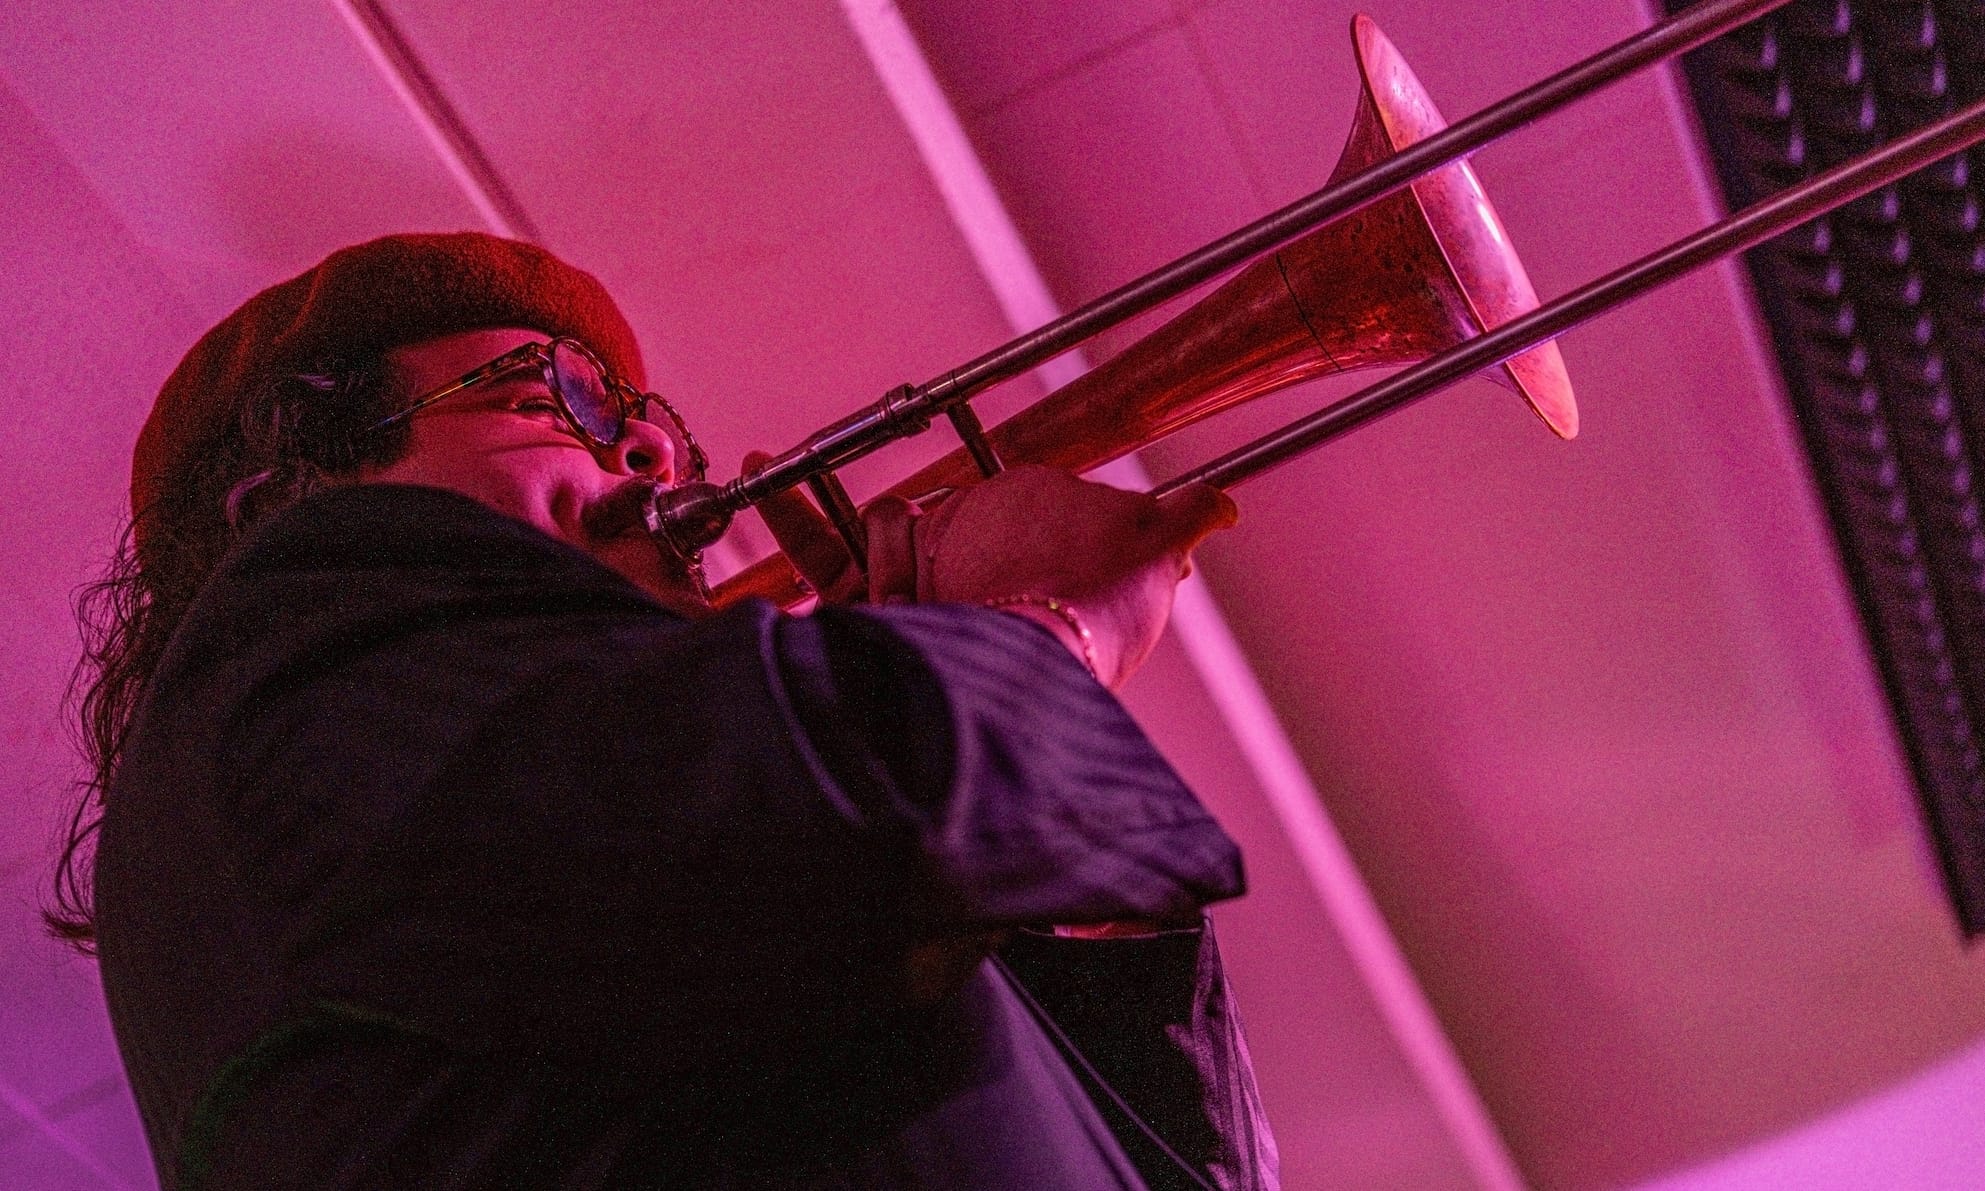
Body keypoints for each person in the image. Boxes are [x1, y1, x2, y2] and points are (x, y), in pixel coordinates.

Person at [51, 232, 1278, 1189]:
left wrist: (1086, 903)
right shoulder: (286, 647)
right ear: (288, 480)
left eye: (647, 429)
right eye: (559, 401)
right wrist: (1041, 635)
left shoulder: (707, 852)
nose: (650, 460)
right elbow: (809, 818)